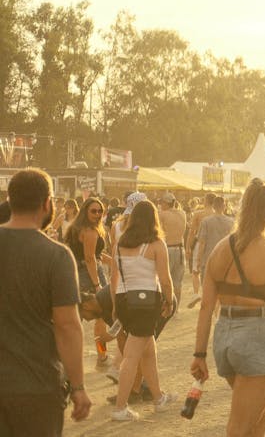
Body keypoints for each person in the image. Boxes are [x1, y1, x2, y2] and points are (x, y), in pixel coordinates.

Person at [191, 178, 265, 436]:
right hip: (254, 339)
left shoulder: (220, 250)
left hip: (224, 338)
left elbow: (205, 307)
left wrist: (199, 354)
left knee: (262, 411)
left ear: (243, 206)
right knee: (239, 427)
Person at [0, 168, 92, 434]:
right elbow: (67, 326)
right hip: (37, 386)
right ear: (47, 203)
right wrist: (78, 387)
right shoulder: (57, 256)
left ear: (10, 199)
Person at [108, 200, 175, 421]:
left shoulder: (119, 244)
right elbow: (165, 279)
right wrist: (170, 300)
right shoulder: (156, 244)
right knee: (132, 355)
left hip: (125, 300)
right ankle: (120, 407)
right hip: (146, 302)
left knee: (148, 351)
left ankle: (158, 399)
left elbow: (113, 278)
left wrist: (116, 306)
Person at [65, 197, 111, 366]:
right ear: (85, 211)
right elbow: (90, 258)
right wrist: (97, 284)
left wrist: (114, 262)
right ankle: (101, 356)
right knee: (100, 318)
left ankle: (66, 357)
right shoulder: (90, 231)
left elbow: (95, 255)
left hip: (74, 273)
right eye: (93, 211)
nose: (98, 214)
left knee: (75, 319)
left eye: (100, 211)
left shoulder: (76, 228)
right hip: (90, 275)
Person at [189, 196, 235, 308]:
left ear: (213, 206)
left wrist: (198, 260)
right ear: (224, 207)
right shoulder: (231, 222)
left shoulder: (206, 221)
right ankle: (217, 311)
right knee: (222, 289)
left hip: (208, 259)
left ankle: (209, 308)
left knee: (208, 289)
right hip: (225, 261)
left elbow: (202, 243)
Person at [158, 192, 187, 303]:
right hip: (180, 249)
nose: (161, 205)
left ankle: (166, 305)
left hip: (167, 249)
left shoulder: (162, 214)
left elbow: (158, 232)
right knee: (177, 283)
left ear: (166, 203)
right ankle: (177, 309)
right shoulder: (183, 213)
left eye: (162, 203)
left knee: (164, 280)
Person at [186, 193, 216, 302]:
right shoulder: (216, 214)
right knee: (211, 271)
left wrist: (188, 248)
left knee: (196, 270)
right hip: (213, 245)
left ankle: (196, 293)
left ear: (205, 201)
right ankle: (208, 295)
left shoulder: (198, 214)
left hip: (199, 243)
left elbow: (192, 232)